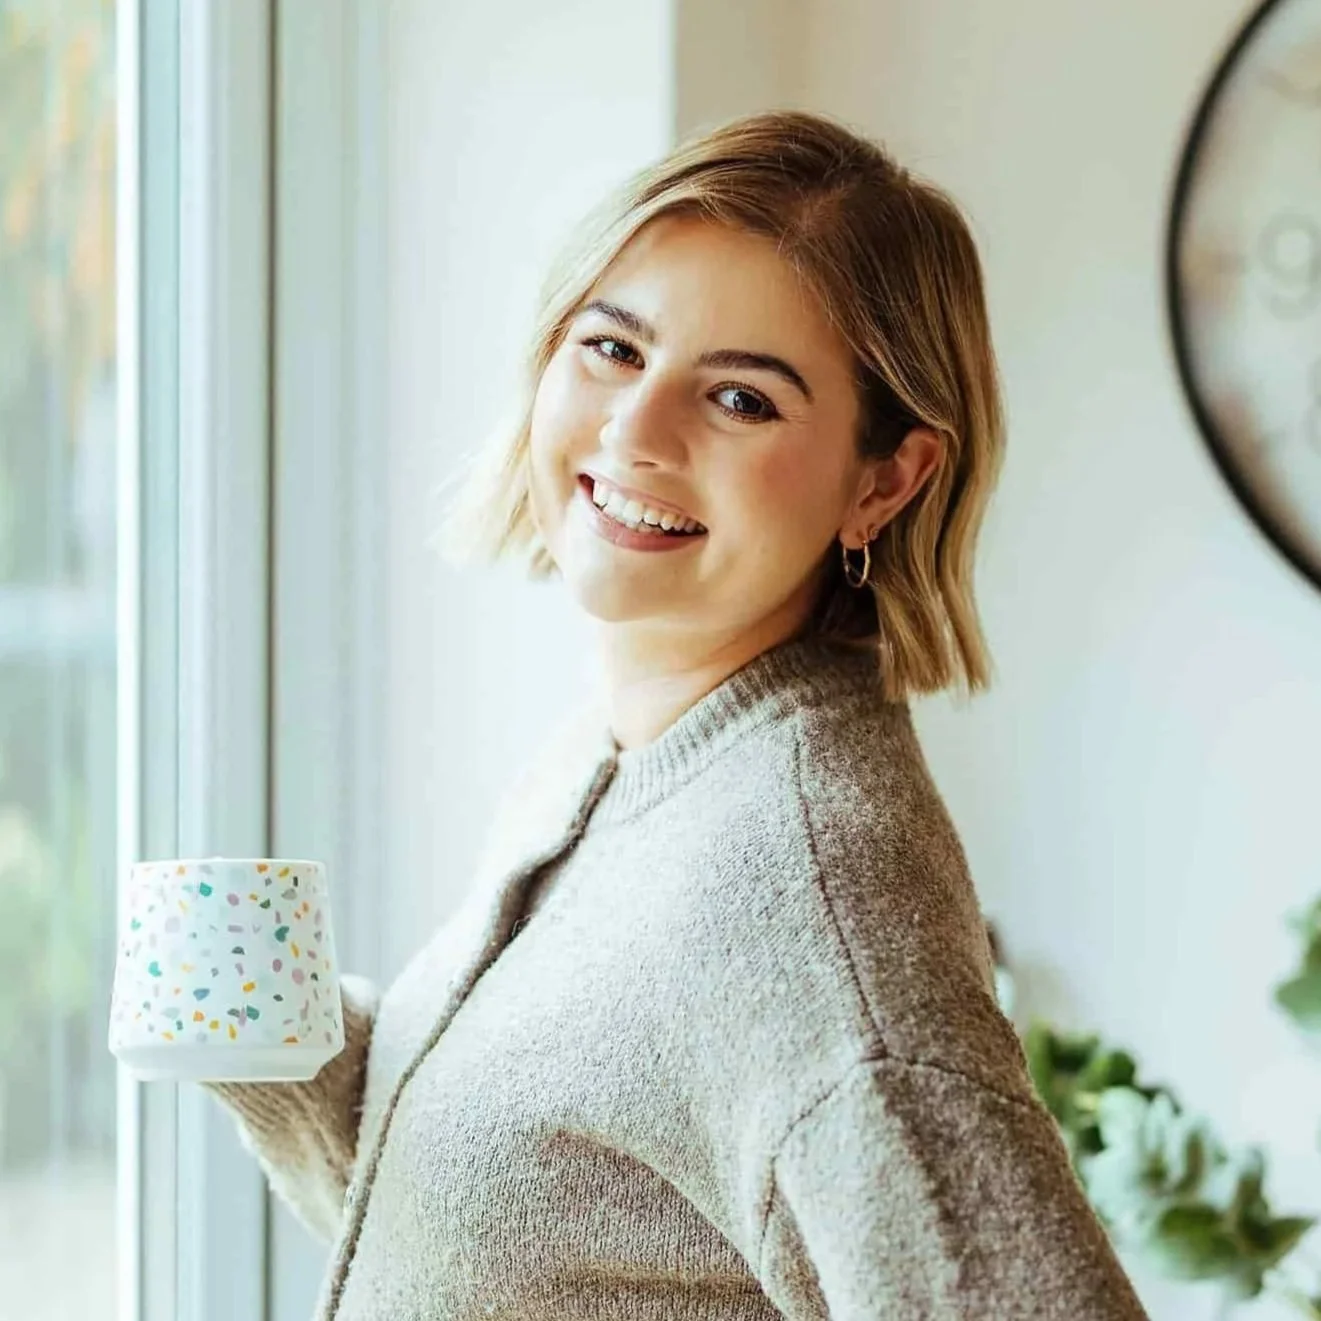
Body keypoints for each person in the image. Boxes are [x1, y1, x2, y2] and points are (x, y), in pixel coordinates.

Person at [204, 108, 1151, 1320]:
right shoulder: (618, 754)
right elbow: (525, 1232)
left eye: (743, 400)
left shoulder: (809, 902)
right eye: (612, 348)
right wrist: (257, 1020)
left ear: (884, 478)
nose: (634, 432)